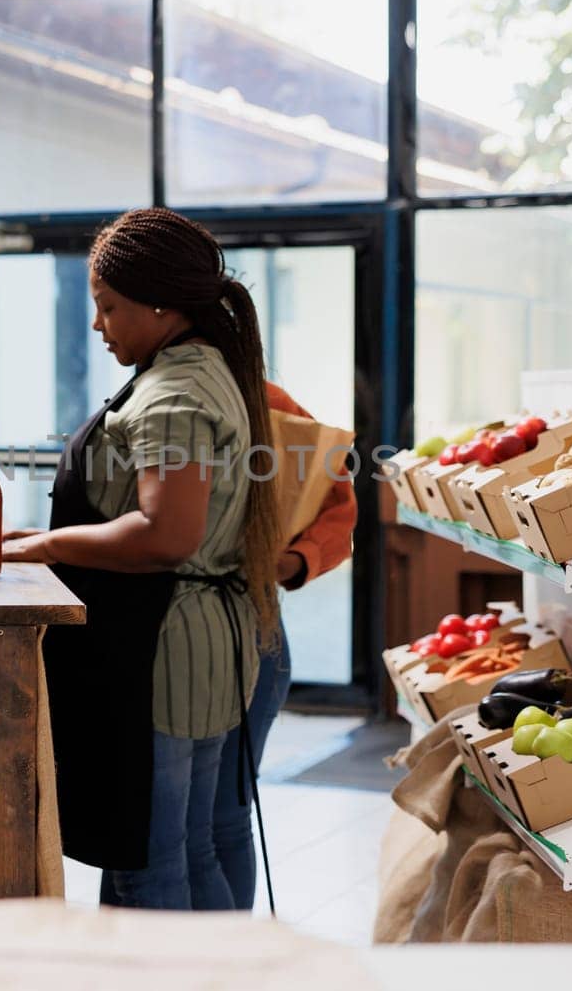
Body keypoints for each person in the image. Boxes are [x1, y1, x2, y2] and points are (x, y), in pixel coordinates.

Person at [2, 207, 284, 910]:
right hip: (204, 643)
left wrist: (44, 545)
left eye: (109, 307)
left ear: (160, 303)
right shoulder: (209, 367)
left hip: (163, 653)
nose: (99, 326)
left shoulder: (173, 395)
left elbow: (166, 534)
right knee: (191, 848)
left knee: (149, 867)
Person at [209, 383, 357, 910]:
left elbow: (337, 501)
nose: (99, 325)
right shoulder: (148, 391)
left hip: (253, 627)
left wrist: (293, 560)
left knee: (225, 813)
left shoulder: (267, 401)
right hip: (180, 636)